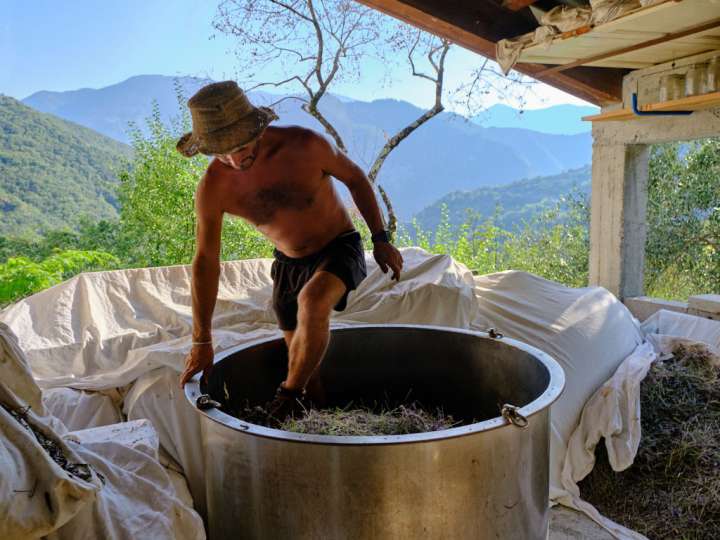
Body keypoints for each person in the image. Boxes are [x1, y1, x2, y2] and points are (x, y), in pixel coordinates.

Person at [177, 81, 403, 423]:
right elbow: (206, 262)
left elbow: (355, 178)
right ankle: (323, 426)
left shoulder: (305, 145)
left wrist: (381, 238)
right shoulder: (214, 187)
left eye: (239, 145)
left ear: (256, 128)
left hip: (339, 247)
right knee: (303, 367)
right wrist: (201, 341)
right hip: (287, 267)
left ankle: (283, 401)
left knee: (312, 303)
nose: (234, 158)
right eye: (221, 150)